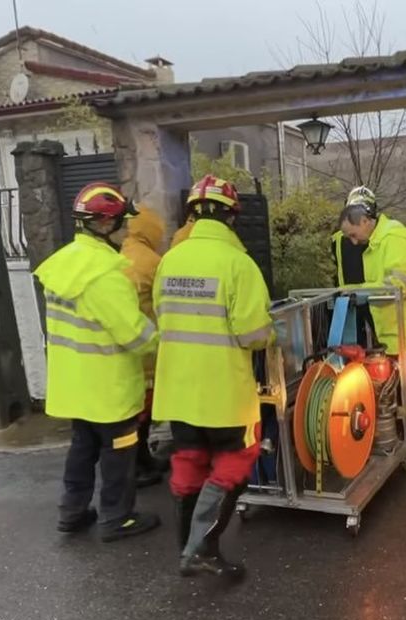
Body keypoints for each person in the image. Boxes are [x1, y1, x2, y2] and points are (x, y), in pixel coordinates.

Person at [152, 175, 274, 579]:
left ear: (192, 215)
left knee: (189, 464)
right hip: (224, 394)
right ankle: (202, 549)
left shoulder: (170, 260)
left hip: (178, 392)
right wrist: (273, 334)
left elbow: (162, 315)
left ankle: (186, 549)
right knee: (233, 468)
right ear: (231, 217)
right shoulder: (238, 264)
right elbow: (253, 335)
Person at [34, 182, 161, 541]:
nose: (127, 232)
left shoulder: (63, 265)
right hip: (109, 389)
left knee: (82, 448)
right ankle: (117, 518)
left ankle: (72, 511)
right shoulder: (105, 276)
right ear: (104, 225)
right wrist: (164, 341)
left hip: (75, 385)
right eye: (123, 224)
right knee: (119, 452)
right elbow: (135, 335)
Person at [336, 187, 406, 428]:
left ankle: (404, 432)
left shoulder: (393, 240)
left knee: (404, 382)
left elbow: (396, 287)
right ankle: (400, 431)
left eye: (353, 234)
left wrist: (357, 290)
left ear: (365, 221)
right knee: (396, 381)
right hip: (396, 325)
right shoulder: (378, 242)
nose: (353, 241)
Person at [118, 205, 168, 487]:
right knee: (142, 413)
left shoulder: (120, 255)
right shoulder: (152, 262)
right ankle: (138, 466)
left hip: (127, 349)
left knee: (136, 412)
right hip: (148, 347)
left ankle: (142, 460)